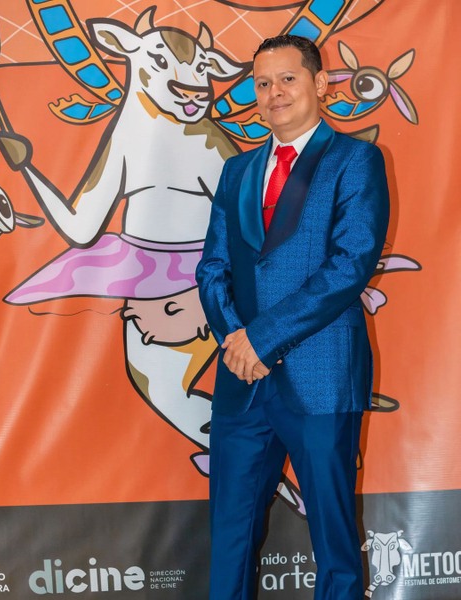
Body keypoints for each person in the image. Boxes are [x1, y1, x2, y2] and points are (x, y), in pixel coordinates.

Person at [195, 34, 389, 600]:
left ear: (320, 84)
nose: (274, 92)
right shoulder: (237, 171)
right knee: (230, 538)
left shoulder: (356, 160)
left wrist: (261, 339)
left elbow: (349, 265)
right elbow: (212, 268)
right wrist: (237, 342)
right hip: (242, 380)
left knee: (334, 540)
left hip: (320, 376)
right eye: (262, 83)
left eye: (287, 78)